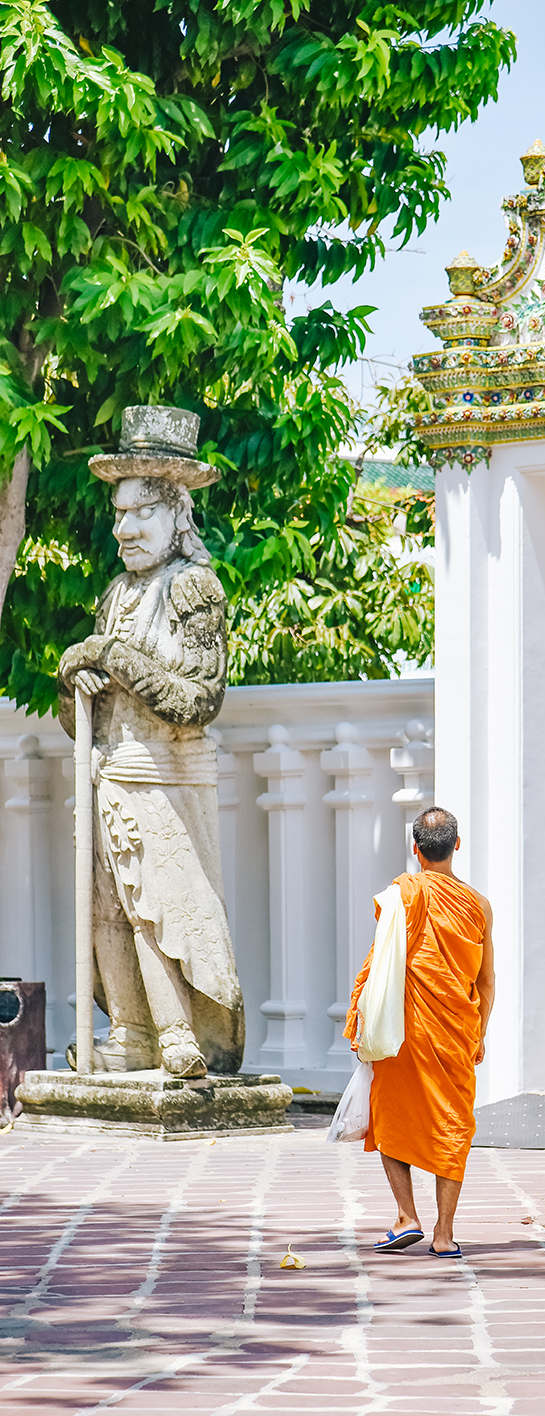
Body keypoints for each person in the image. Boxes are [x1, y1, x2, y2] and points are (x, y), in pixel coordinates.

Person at [58, 405, 244, 1079]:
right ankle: (131, 1031)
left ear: (176, 514)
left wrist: (118, 659)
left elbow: (200, 696)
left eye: (141, 511)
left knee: (156, 906)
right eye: (118, 512)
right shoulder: (115, 595)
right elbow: (84, 719)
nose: (123, 527)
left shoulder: (194, 586)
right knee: (106, 906)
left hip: (164, 774)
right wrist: (75, 674)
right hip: (109, 775)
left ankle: (175, 1029)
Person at [344, 807, 494, 1258]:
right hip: (454, 1031)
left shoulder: (401, 894)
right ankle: (444, 1236)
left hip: (404, 1032)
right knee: (453, 1125)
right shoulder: (478, 905)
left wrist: (361, 1020)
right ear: (457, 845)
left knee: (390, 1117)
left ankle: (407, 1216)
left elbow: (381, 965)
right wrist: (479, 1031)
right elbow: (485, 982)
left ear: (415, 849)